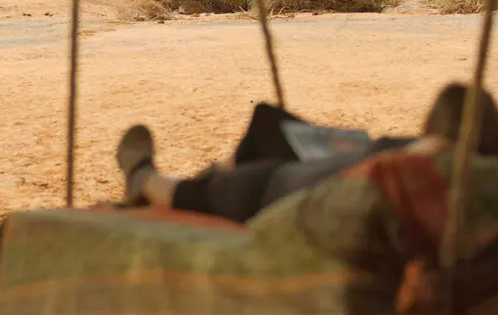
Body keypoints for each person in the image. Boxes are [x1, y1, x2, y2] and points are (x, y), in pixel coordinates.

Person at [116, 82, 498, 224]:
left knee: (212, 191)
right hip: (337, 159)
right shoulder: (431, 157)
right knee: (267, 121)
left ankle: (143, 176)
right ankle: (215, 173)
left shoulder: (430, 167)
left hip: (287, 184)